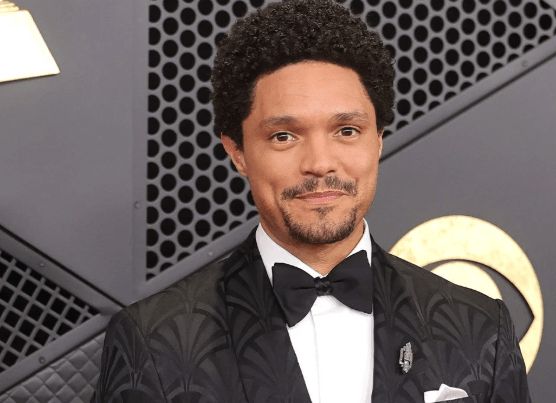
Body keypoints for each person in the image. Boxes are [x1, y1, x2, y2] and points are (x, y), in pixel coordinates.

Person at [93, 1, 531, 402]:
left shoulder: (480, 328)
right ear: (237, 152)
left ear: (378, 140)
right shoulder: (152, 341)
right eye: (284, 136)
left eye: (347, 131)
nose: (320, 163)